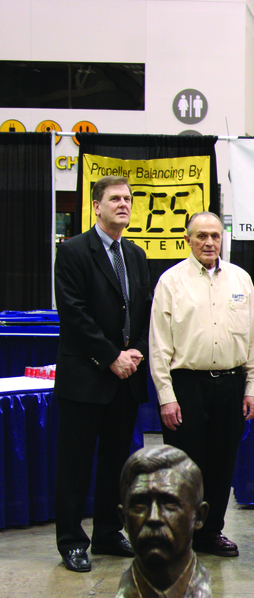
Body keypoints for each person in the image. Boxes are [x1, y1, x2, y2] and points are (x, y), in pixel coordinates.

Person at [148, 212, 254, 558]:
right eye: (201, 236)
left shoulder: (240, 280)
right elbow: (158, 346)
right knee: (184, 467)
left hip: (230, 385)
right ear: (188, 239)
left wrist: (252, 388)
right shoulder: (171, 282)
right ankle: (180, 537)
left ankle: (211, 533)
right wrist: (166, 397)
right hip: (186, 386)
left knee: (220, 464)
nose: (209, 243)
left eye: (215, 236)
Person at [53, 175, 152, 573]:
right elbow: (73, 314)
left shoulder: (136, 255)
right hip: (87, 376)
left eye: (128, 198)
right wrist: (111, 356)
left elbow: (144, 311)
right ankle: (72, 541)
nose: (123, 204)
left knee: (116, 461)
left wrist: (136, 353)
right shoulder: (75, 251)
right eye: (115, 199)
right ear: (96, 206)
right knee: (76, 464)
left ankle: (108, 533)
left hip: (125, 378)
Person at [114, 445, 212, 598]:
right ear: (123, 518)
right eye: (139, 505)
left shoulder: (201, 592)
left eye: (169, 504)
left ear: (199, 516)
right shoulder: (125, 596)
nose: (154, 518)